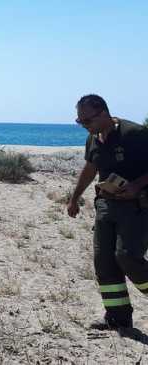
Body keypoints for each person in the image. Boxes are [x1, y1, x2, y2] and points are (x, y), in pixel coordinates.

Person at [68, 94, 148, 330]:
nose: (84, 126)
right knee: (104, 262)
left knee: (126, 257)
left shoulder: (134, 134)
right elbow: (90, 168)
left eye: (87, 121)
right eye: (79, 122)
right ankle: (118, 317)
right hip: (106, 206)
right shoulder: (93, 139)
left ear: (103, 113)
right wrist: (75, 198)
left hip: (137, 207)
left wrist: (136, 185)